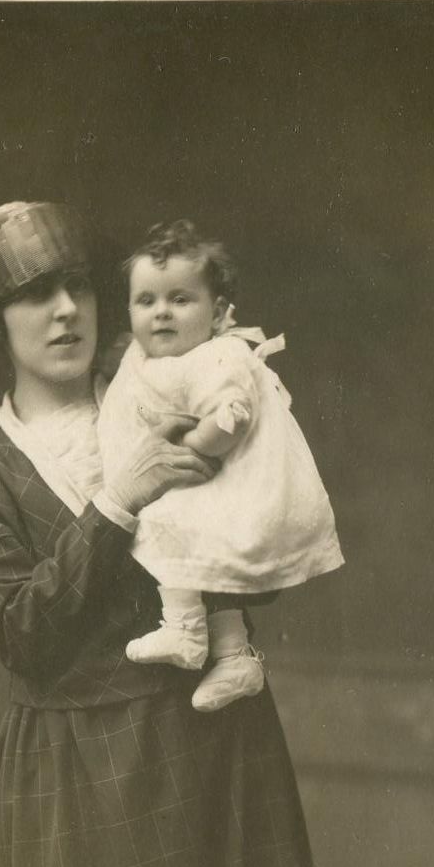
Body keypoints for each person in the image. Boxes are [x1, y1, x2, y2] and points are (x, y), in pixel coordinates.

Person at [0, 201, 329, 867]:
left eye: (77, 286)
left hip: (216, 743)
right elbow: (23, 637)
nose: (66, 310)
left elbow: (258, 524)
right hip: (75, 775)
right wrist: (121, 501)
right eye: (35, 295)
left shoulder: (167, 391)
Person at [98, 220, 343, 712]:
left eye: (180, 299)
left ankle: (186, 632)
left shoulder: (219, 356)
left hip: (238, 483)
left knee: (171, 525)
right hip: (206, 486)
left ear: (219, 314)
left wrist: (190, 441)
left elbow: (230, 421)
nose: (161, 313)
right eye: (146, 301)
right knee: (204, 559)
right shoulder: (146, 358)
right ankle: (235, 658)